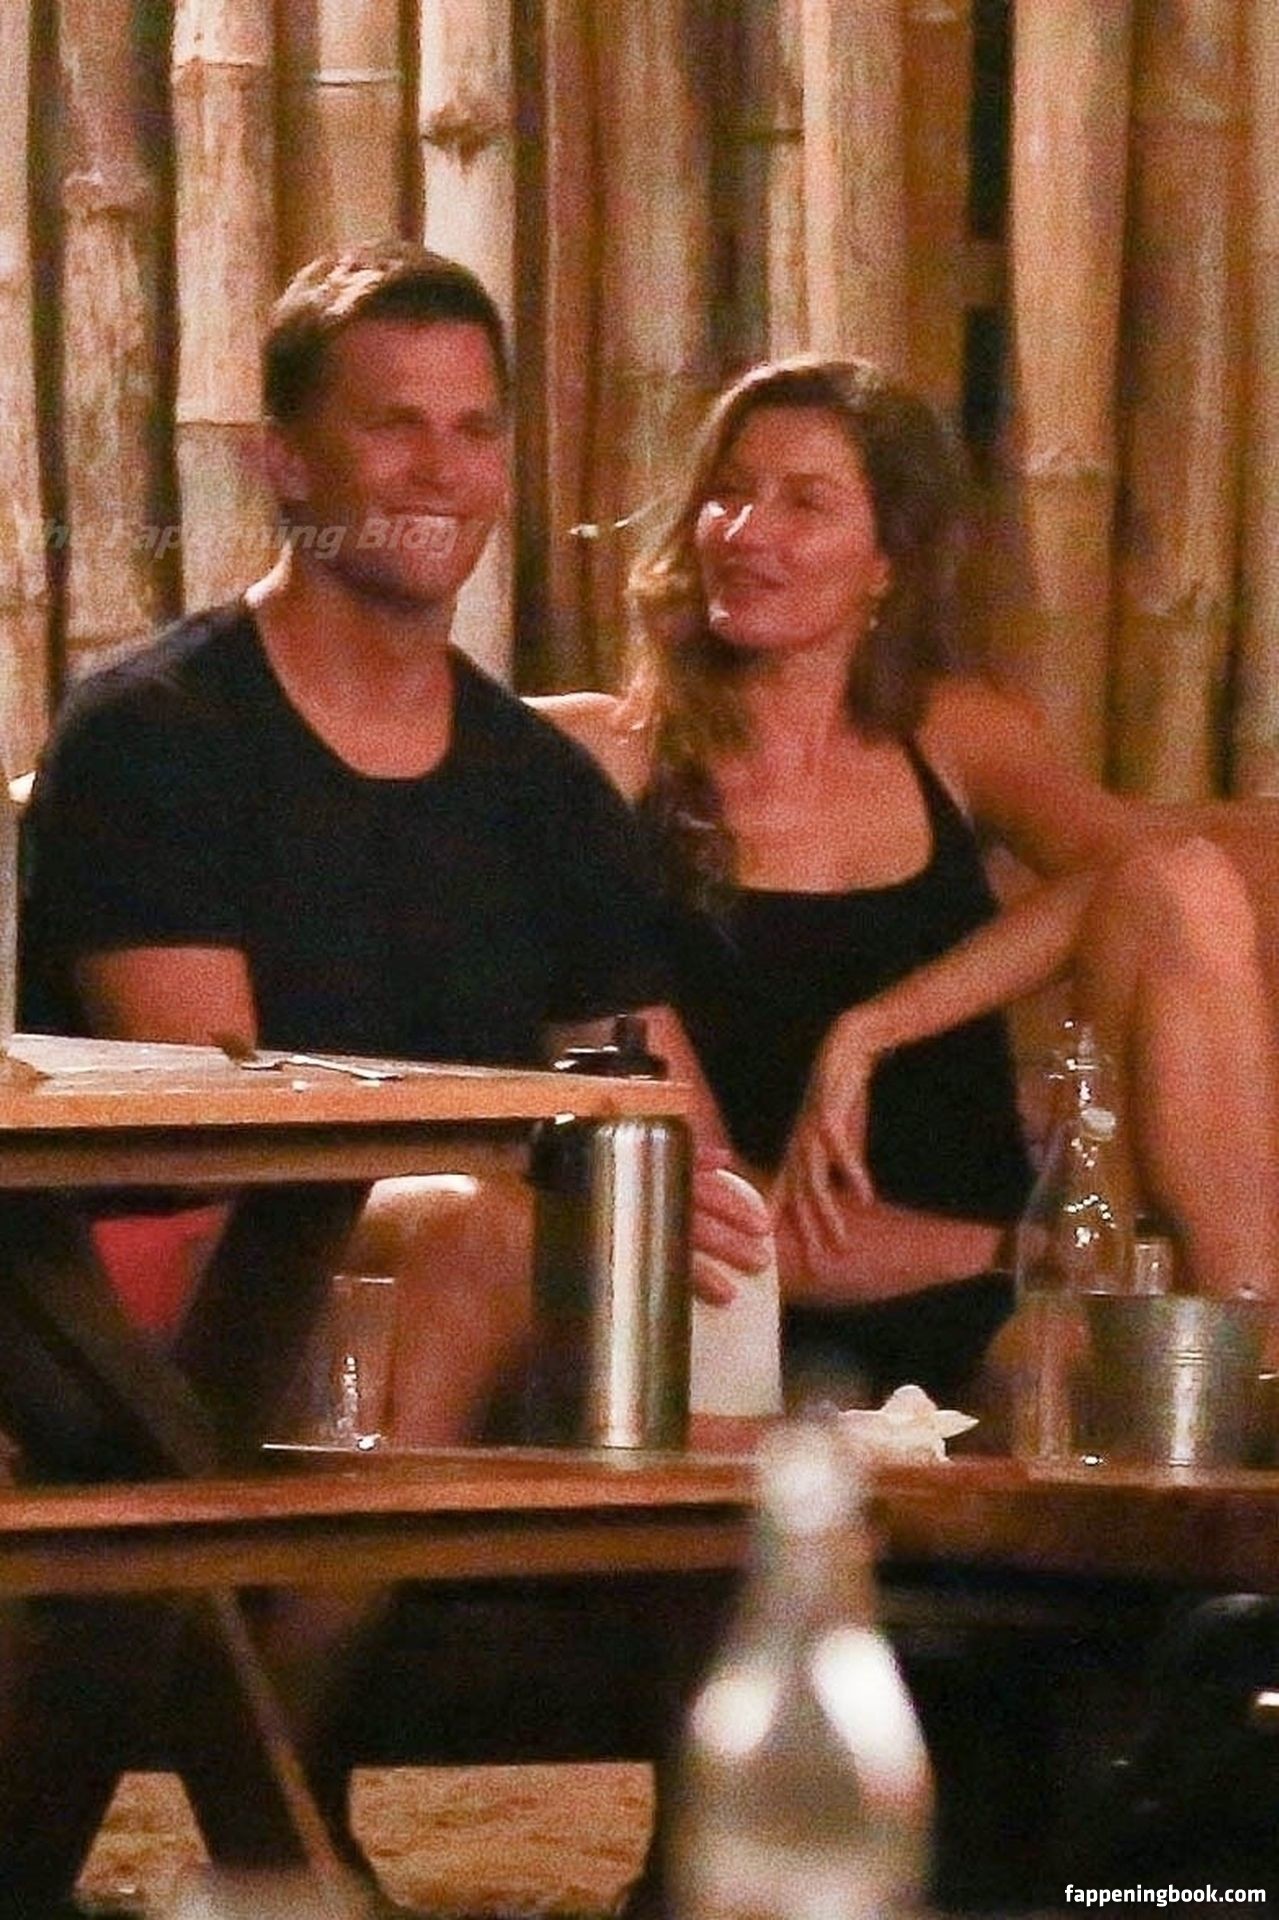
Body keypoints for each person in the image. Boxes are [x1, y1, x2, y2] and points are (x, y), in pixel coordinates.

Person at [12, 239, 767, 1912]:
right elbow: (211, 1123)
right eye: (393, 425)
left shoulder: (536, 786)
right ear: (286, 460)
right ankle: (271, 1826)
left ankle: (699, 1879)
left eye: (473, 428)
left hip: (454, 1273)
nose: (441, 469)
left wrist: (702, 1235)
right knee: (489, 1241)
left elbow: (655, 1110)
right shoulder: (155, 734)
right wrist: (527, 1192)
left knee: (697, 1306)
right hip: (159, 1284)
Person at [535, 353, 1279, 1407]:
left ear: (887, 561)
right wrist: (1023, 1248)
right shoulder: (604, 762)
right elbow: (709, 1213)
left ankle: (1258, 1366)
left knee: (1182, 896)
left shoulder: (956, 739)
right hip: (771, 1307)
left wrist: (875, 1027)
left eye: (804, 504)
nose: (745, 533)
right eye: (728, 494)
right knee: (1099, 1365)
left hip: (1006, 1309)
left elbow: (1185, 879)